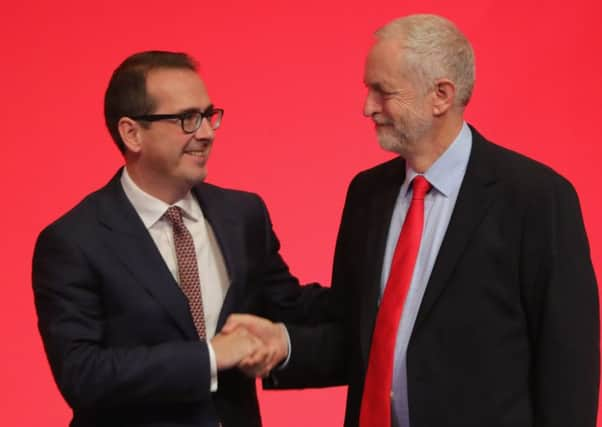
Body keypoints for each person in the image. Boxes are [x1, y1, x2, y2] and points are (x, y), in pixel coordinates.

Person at [236, 13, 599, 427]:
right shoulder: (367, 193)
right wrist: (283, 345)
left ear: (441, 95)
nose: (367, 107)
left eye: (383, 91)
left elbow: (569, 362)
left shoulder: (536, 197)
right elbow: (358, 334)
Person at [32, 51, 330, 427]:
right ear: (132, 133)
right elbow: (83, 373)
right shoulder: (74, 240)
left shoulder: (243, 215)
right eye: (187, 119)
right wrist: (210, 357)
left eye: (208, 115)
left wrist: (385, 292)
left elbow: (288, 307)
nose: (206, 132)